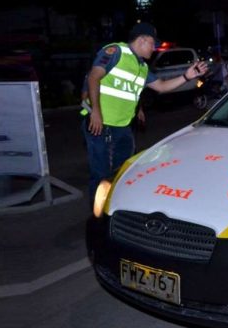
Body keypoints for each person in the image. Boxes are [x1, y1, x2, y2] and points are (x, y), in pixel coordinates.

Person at [82, 22, 208, 207]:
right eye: (152, 43)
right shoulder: (116, 52)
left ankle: (114, 205)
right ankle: (97, 212)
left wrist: (187, 76)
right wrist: (96, 113)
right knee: (100, 173)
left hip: (122, 126)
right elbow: (94, 77)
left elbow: (161, 87)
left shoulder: (142, 67)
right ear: (141, 40)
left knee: (123, 171)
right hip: (100, 123)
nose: (154, 47)